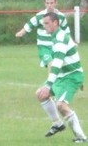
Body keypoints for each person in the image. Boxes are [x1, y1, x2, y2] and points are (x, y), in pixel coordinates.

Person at [15, 0, 69, 137]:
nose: (49, 5)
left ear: (55, 3)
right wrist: (22, 31)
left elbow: (66, 30)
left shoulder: (61, 17)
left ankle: (55, 87)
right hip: (44, 47)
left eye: (52, 2)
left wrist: (72, 42)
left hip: (56, 45)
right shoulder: (40, 16)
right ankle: (51, 88)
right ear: (44, 3)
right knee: (51, 63)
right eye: (47, 3)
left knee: (61, 66)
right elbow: (29, 24)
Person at [36, 12, 87, 143]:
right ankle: (57, 123)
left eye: (47, 23)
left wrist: (48, 85)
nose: (44, 26)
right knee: (41, 94)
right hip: (63, 75)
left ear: (55, 23)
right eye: (43, 24)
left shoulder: (60, 39)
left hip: (70, 77)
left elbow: (57, 64)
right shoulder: (57, 36)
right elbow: (73, 54)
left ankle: (81, 137)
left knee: (61, 105)